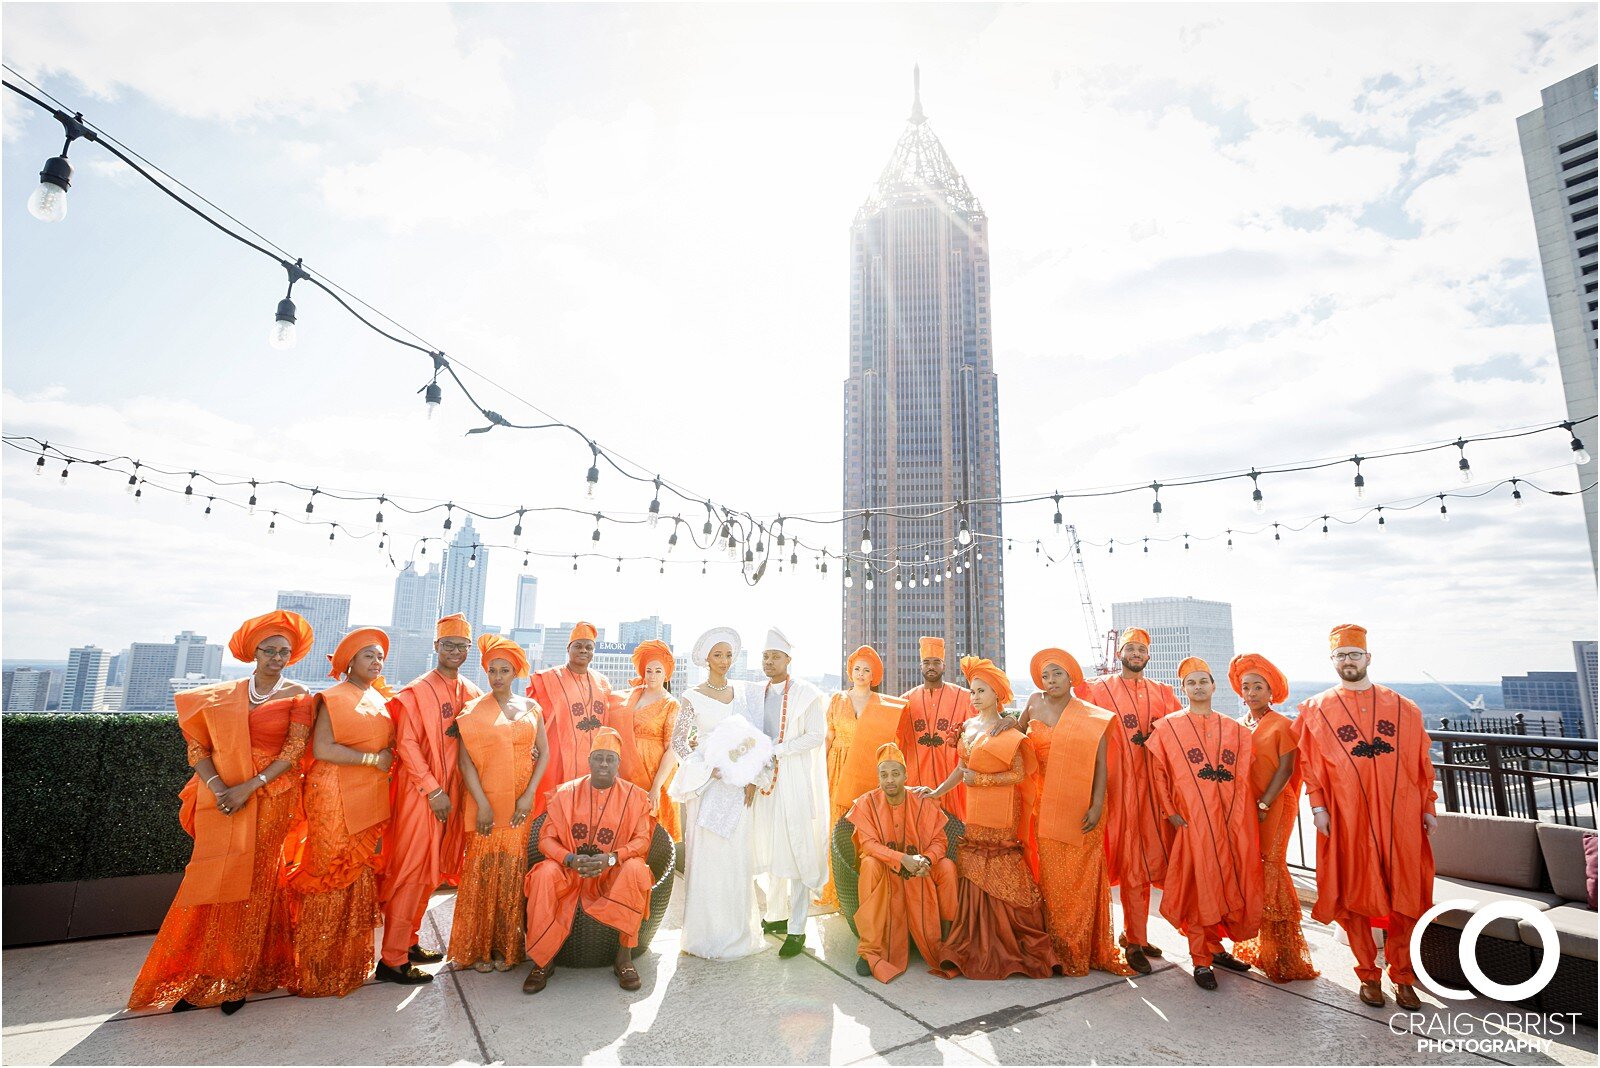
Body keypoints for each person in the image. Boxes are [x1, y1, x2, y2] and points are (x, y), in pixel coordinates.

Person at [128, 610, 315, 1014]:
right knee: (211, 881)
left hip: (270, 795)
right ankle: (198, 972)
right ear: (254, 652)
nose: (277, 657)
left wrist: (249, 786)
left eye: (284, 651)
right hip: (222, 796)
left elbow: (294, 751)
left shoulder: (299, 694)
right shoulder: (223, 694)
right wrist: (219, 789)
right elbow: (198, 747)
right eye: (270, 650)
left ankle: (236, 978)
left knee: (252, 885)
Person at [1297, 624, 1436, 1010]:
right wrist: (1319, 808)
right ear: (1333, 661)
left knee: (1404, 894)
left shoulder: (1403, 707)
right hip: (1348, 818)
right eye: (1341, 656)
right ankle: (1367, 973)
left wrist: (1427, 807)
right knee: (1357, 891)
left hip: (1400, 817)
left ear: (1367, 658)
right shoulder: (1317, 709)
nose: (1348, 661)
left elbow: (1422, 762)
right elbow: (1310, 765)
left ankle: (1403, 975)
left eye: (1354, 655)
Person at [917, 656, 1058, 980]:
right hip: (976, 811)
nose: (975, 697)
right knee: (974, 866)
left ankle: (1013, 943)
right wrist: (937, 791)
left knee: (1001, 865)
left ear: (997, 694)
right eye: (972, 691)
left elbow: (1020, 773)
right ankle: (976, 942)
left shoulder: (1005, 726)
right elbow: (961, 770)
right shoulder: (967, 727)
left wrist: (981, 781)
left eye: (981, 691)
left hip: (1004, 810)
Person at [282, 628, 395, 998]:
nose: (377, 662)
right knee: (331, 870)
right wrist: (372, 760)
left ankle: (346, 962)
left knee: (355, 871)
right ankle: (316, 967)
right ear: (349, 662)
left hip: (368, 793)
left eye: (379, 656)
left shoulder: (377, 697)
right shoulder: (332, 697)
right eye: (368, 656)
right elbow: (323, 747)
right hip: (333, 792)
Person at [376, 613, 483, 985]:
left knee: (431, 872)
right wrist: (432, 789)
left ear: (469, 650)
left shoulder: (470, 691)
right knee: (412, 870)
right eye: (448, 644)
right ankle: (391, 960)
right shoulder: (416, 690)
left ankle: (409, 942)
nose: (455, 651)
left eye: (462, 646)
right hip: (419, 793)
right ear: (435, 647)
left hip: (452, 793)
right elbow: (405, 744)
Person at [1147, 657, 1263, 991]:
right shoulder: (1167, 728)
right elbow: (1159, 774)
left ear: (1214, 686)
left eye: (1203, 681)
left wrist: (1239, 817)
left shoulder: (1236, 730)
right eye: (1191, 683)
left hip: (1229, 823)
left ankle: (1215, 949)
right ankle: (1200, 959)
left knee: (1226, 883)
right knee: (1200, 887)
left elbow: (1243, 777)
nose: (1198, 687)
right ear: (1184, 690)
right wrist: (1170, 811)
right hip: (1192, 822)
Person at [1020, 647, 1133, 978]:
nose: (1051, 680)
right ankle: (1052, 947)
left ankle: (1078, 946)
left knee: (1079, 880)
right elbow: (1015, 737)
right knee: (1050, 878)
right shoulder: (1033, 703)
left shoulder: (1090, 714)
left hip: (1081, 805)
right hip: (1042, 803)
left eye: (1058, 674)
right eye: (1045, 675)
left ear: (1071, 677)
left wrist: (1098, 804)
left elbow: (1101, 765)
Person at [1077, 626, 1180, 974]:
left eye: (1141, 649)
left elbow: (1182, 732)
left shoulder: (1163, 693)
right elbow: (1077, 726)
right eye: (1130, 648)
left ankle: (1136, 935)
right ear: (1119, 653)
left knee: (1148, 862)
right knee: (1123, 862)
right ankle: (1126, 938)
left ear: (1148, 656)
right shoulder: (1097, 689)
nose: (1136, 654)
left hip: (1153, 791)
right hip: (1113, 790)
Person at [522, 727, 654, 994]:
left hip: (611, 874)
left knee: (636, 869)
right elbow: (545, 840)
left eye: (610, 759)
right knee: (544, 873)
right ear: (589, 760)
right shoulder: (566, 794)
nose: (604, 764)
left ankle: (624, 957)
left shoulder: (636, 797)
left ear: (619, 763)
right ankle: (542, 960)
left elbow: (643, 840)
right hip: (569, 872)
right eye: (598, 757)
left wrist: (614, 859)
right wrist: (568, 859)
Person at [449, 635, 549, 973]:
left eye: (504, 670)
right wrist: (483, 804)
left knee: (512, 870)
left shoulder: (532, 708)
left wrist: (529, 794)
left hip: (521, 801)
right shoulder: (474, 711)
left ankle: (507, 948)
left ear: (516, 672)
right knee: (483, 871)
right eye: (492, 670)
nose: (497, 677)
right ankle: (479, 949)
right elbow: (465, 764)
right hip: (486, 798)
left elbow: (544, 753)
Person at [667, 627, 766, 961]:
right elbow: (680, 742)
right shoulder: (692, 695)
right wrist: (708, 767)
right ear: (706, 659)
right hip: (708, 784)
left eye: (728, 655)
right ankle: (705, 935)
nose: (724, 661)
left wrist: (750, 775)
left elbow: (754, 738)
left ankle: (736, 933)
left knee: (736, 857)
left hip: (738, 786)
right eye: (717, 655)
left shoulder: (743, 694)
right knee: (708, 856)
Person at [1227, 652, 1318, 983]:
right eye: (1246, 687)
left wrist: (1264, 804)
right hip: (1250, 808)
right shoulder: (1239, 725)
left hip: (1275, 805)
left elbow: (1287, 768)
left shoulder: (1283, 724)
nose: (1251, 693)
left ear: (1271, 691)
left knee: (1273, 866)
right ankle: (1259, 947)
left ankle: (1284, 954)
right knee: (1254, 868)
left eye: (1258, 687)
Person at [747, 627, 830, 959]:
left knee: (796, 850)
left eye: (775, 656)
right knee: (770, 848)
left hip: (793, 780)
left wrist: (779, 750)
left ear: (788, 660)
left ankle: (797, 927)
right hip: (764, 781)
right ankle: (775, 916)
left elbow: (816, 735)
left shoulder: (807, 694)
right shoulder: (756, 694)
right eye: (765, 656)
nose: (769, 661)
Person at [846, 742, 957, 983]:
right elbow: (868, 845)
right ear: (878, 777)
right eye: (884, 775)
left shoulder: (922, 801)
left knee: (947, 866)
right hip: (887, 871)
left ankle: (948, 942)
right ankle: (870, 949)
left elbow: (940, 841)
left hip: (920, 869)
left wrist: (926, 859)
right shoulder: (866, 803)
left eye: (896, 774)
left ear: (906, 775)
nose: (890, 780)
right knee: (869, 864)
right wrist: (902, 859)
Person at [822, 645, 907, 907]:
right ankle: (837, 890)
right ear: (851, 672)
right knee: (838, 825)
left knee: (866, 826)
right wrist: (820, 771)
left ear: (874, 676)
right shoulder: (837, 700)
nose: (861, 673)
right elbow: (829, 736)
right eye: (857, 668)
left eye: (866, 670)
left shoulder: (883, 705)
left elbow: (891, 743)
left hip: (867, 770)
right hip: (838, 766)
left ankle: (865, 888)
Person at [526, 621, 612, 816]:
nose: (584, 650)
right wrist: (530, 744)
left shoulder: (603, 683)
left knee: (587, 814)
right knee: (548, 813)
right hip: (556, 759)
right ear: (568, 648)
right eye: (578, 646)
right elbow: (530, 717)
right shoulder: (546, 679)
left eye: (589, 647)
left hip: (592, 761)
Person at [610, 639, 682, 840]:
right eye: (649, 670)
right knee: (625, 826)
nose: (652, 676)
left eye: (658, 671)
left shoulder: (671, 704)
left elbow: (672, 750)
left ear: (666, 673)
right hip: (625, 768)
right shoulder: (631, 696)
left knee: (651, 829)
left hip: (653, 772)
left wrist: (656, 787)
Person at [898, 637, 976, 819]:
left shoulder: (964, 697)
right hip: (916, 777)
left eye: (936, 662)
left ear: (944, 666)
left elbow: (985, 724)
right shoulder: (905, 700)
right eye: (926, 662)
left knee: (954, 829)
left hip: (951, 779)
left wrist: (1009, 721)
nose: (931, 667)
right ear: (921, 667)